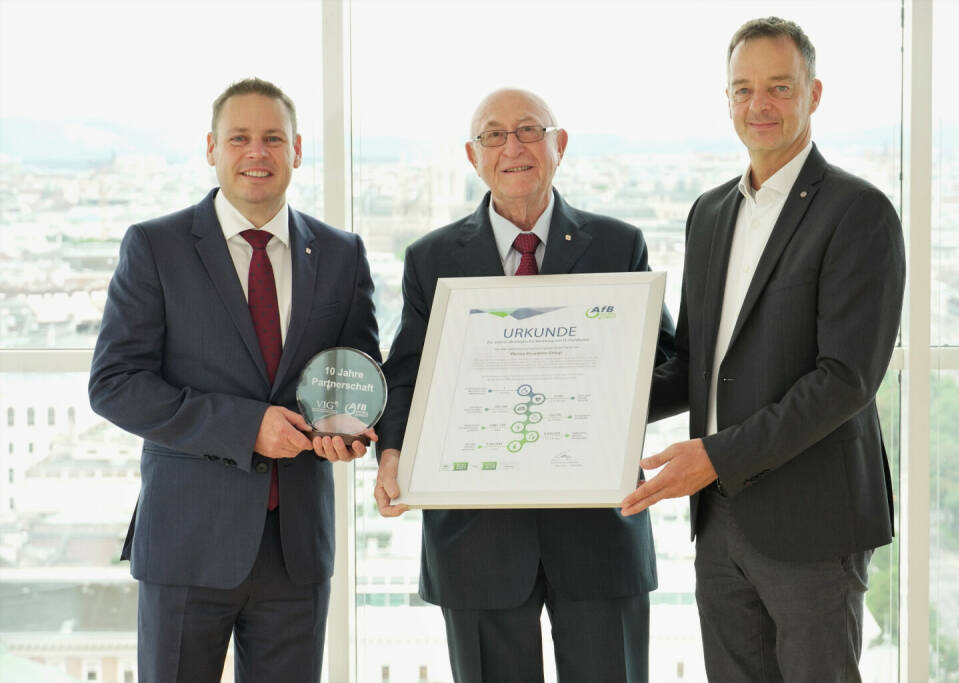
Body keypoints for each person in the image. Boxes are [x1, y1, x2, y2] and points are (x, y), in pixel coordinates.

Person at [620, 17, 906, 682]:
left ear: (814, 93)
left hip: (812, 521)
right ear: (727, 99)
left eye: (779, 87)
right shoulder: (709, 213)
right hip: (719, 522)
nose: (760, 105)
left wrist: (714, 456)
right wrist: (595, 403)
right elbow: (694, 360)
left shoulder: (858, 213)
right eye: (743, 89)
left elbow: (845, 379)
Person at [370, 88, 674, 683]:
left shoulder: (618, 245)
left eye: (531, 131)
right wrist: (393, 453)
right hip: (476, 538)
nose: (513, 147)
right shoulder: (430, 259)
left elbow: (664, 364)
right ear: (473, 155)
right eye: (494, 135)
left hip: (598, 531)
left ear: (559, 146)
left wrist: (603, 402)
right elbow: (406, 375)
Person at [88, 77, 379, 683]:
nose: (257, 152)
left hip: (297, 550)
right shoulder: (156, 246)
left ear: (297, 150)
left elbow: (355, 376)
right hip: (187, 543)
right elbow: (115, 382)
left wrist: (348, 433)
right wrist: (247, 427)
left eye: (273, 138)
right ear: (212, 149)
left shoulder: (340, 253)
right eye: (240, 138)